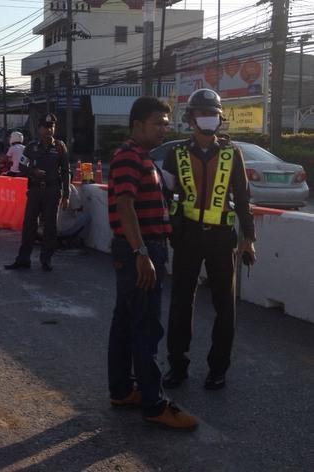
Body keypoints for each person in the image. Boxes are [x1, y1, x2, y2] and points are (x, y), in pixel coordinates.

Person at [107, 96, 198, 430]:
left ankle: (123, 390)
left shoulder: (139, 157)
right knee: (146, 326)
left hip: (139, 250)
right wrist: (142, 253)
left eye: (166, 122)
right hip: (140, 253)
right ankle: (154, 403)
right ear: (138, 125)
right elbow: (125, 206)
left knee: (126, 323)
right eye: (158, 122)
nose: (164, 128)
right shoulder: (130, 157)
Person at [162, 89, 256, 390]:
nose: (208, 119)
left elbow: (243, 199)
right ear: (190, 119)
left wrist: (249, 238)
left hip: (221, 240)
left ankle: (218, 369)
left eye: (213, 114)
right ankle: (177, 366)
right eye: (202, 113)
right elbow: (164, 198)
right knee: (180, 304)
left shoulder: (232, 154)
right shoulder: (175, 154)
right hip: (187, 236)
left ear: (220, 119)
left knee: (225, 307)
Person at [4, 113, 70, 272]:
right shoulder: (31, 147)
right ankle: (23, 259)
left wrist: (66, 195)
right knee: (29, 226)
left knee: (50, 227)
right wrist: (33, 171)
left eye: (52, 127)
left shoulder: (60, 147)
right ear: (39, 129)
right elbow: (21, 166)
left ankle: (46, 260)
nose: (49, 130)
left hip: (52, 190)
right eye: (46, 127)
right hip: (34, 190)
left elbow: (66, 171)